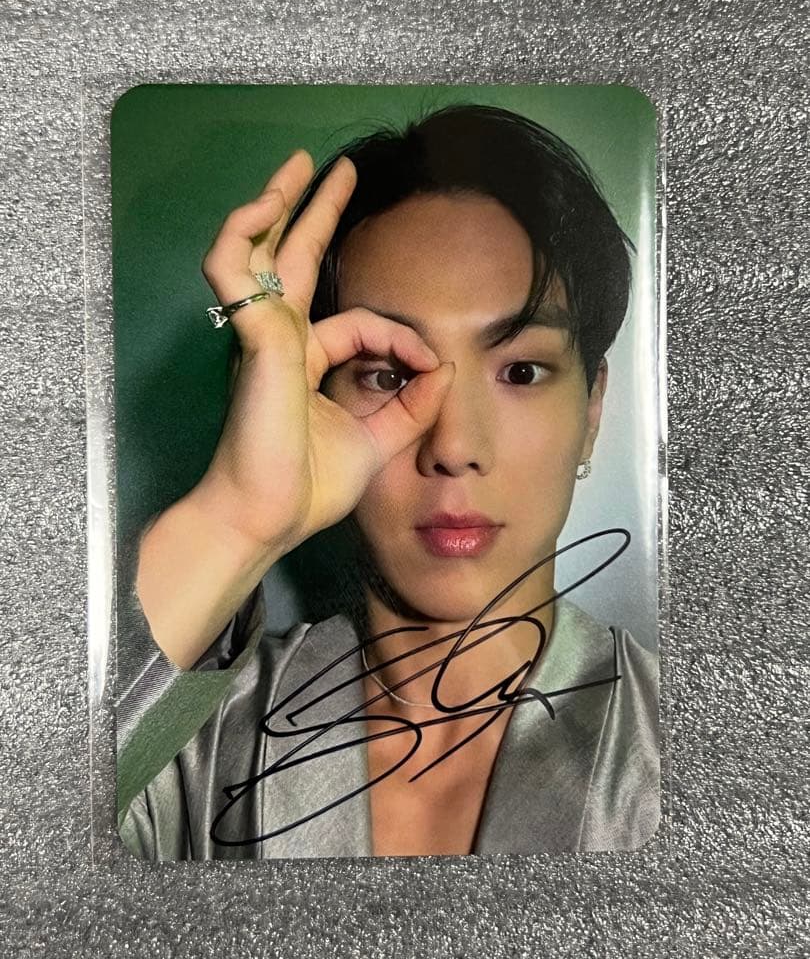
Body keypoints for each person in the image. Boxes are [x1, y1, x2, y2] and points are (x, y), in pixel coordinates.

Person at [117, 103, 659, 859]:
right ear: (312, 399)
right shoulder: (185, 748)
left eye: (521, 372)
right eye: (388, 374)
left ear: (592, 410)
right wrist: (235, 519)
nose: (455, 447)